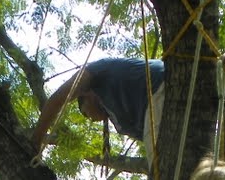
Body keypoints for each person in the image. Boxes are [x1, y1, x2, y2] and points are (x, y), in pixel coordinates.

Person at [32, 57, 165, 165]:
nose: (92, 120)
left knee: (161, 170)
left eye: (86, 114)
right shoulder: (117, 117)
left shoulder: (98, 70)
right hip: (156, 103)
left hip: (157, 90)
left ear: (86, 95)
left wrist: (36, 141)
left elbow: (58, 99)